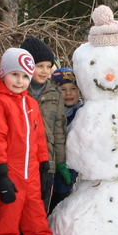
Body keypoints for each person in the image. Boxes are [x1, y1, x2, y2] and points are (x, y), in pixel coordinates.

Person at [0, 48, 63, 235]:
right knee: (5, 222)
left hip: (33, 174)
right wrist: (1, 172)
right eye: (15, 75)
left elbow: (39, 139)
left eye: (25, 76)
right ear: (3, 74)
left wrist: (44, 166)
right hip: (12, 171)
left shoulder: (31, 103)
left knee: (37, 222)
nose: (20, 81)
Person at [20, 37, 71, 214]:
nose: (44, 71)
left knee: (40, 212)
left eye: (48, 66)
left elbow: (58, 131)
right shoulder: (18, 90)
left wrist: (61, 163)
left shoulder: (54, 93)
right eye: (39, 65)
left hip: (46, 164)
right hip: (22, 163)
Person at [51, 67, 82, 203]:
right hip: (50, 172)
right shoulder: (50, 113)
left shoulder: (83, 114)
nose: (68, 93)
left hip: (71, 173)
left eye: (73, 88)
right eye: (62, 89)